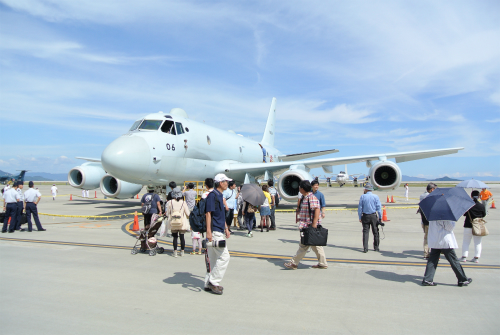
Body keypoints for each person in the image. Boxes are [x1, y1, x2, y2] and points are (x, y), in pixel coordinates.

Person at [285, 180, 327, 270]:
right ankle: (322, 263)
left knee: (303, 245)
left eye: (300, 187)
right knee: (316, 246)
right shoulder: (305, 197)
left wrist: (314, 224)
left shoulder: (311, 198)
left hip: (309, 227)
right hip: (306, 225)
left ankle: (294, 263)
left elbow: (317, 209)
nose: (299, 188)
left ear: (303, 189)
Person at [422, 219, 472, 287]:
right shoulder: (444, 216)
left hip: (435, 240)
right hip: (444, 240)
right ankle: (462, 279)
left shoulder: (432, 215)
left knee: (432, 260)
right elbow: (449, 227)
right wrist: (453, 222)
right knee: (454, 260)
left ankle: (427, 279)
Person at [204, 173, 231, 295]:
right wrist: (209, 232)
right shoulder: (212, 195)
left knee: (213, 260)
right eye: (226, 181)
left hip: (219, 230)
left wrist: (226, 228)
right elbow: (208, 213)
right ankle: (213, 282)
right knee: (225, 257)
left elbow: (220, 214)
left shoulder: (220, 195)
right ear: (221, 183)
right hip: (214, 232)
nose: (228, 183)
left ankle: (207, 283)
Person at [460, 190, 486, 263]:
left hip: (468, 225)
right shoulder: (481, 205)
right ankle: (476, 257)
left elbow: (464, 214)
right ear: (479, 196)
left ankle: (464, 257)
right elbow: (484, 215)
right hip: (478, 225)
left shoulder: (468, 205)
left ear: (471, 196)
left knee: (466, 241)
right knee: (478, 242)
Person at [357, 183, 382, 253]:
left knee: (365, 232)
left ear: (366, 189)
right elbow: (379, 208)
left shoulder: (362, 196)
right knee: (375, 232)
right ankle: (376, 247)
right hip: (373, 216)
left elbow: (360, 208)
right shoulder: (376, 196)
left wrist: (360, 217)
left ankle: (365, 248)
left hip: (365, 216)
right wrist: (380, 217)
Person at [166, 187, 190, 257]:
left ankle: (175, 252)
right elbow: (188, 213)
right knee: (182, 237)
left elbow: (167, 213)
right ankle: (182, 251)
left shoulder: (170, 202)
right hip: (182, 222)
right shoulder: (183, 202)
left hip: (173, 222)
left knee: (175, 237)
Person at [418, 183, 437, 259]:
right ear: (432, 189)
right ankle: (434, 253)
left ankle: (426, 254)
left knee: (426, 237)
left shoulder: (422, 196)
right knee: (433, 238)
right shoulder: (432, 197)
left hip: (423, 220)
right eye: (435, 189)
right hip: (431, 221)